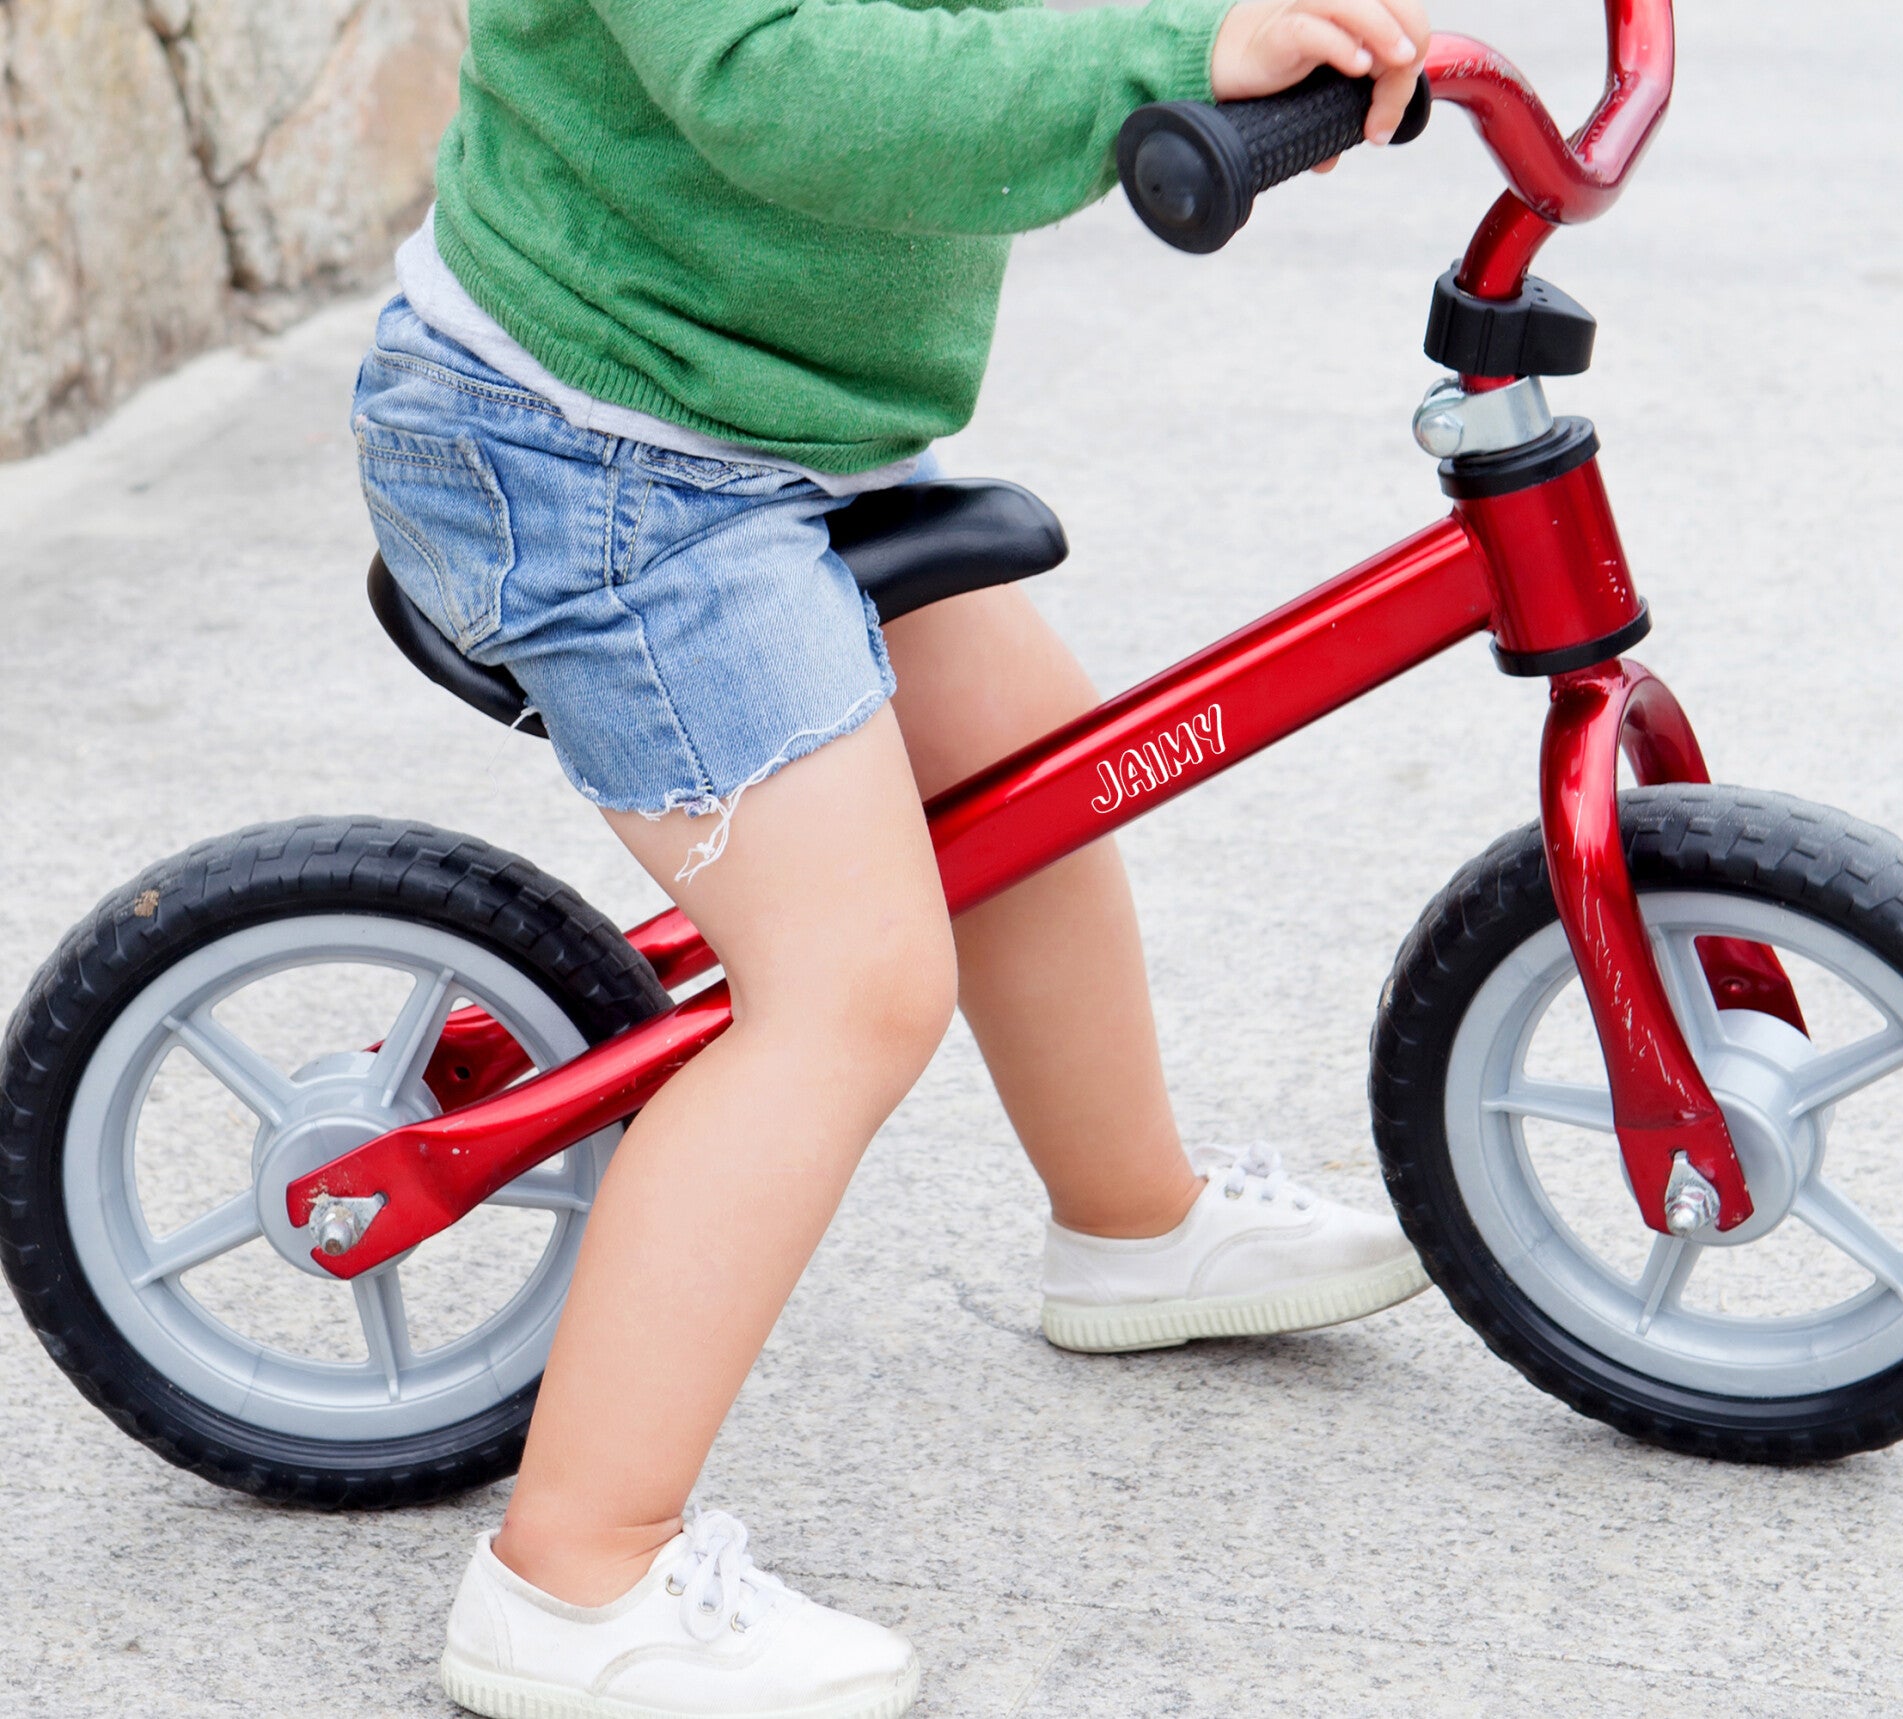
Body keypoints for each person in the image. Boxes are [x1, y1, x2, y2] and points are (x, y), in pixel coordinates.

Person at [351, 1, 1431, 1712]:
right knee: (851, 989)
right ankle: (573, 1575)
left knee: (1037, 770)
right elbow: (779, 88)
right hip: (596, 455)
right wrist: (1151, 64)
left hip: (769, 422)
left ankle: (1131, 1218)